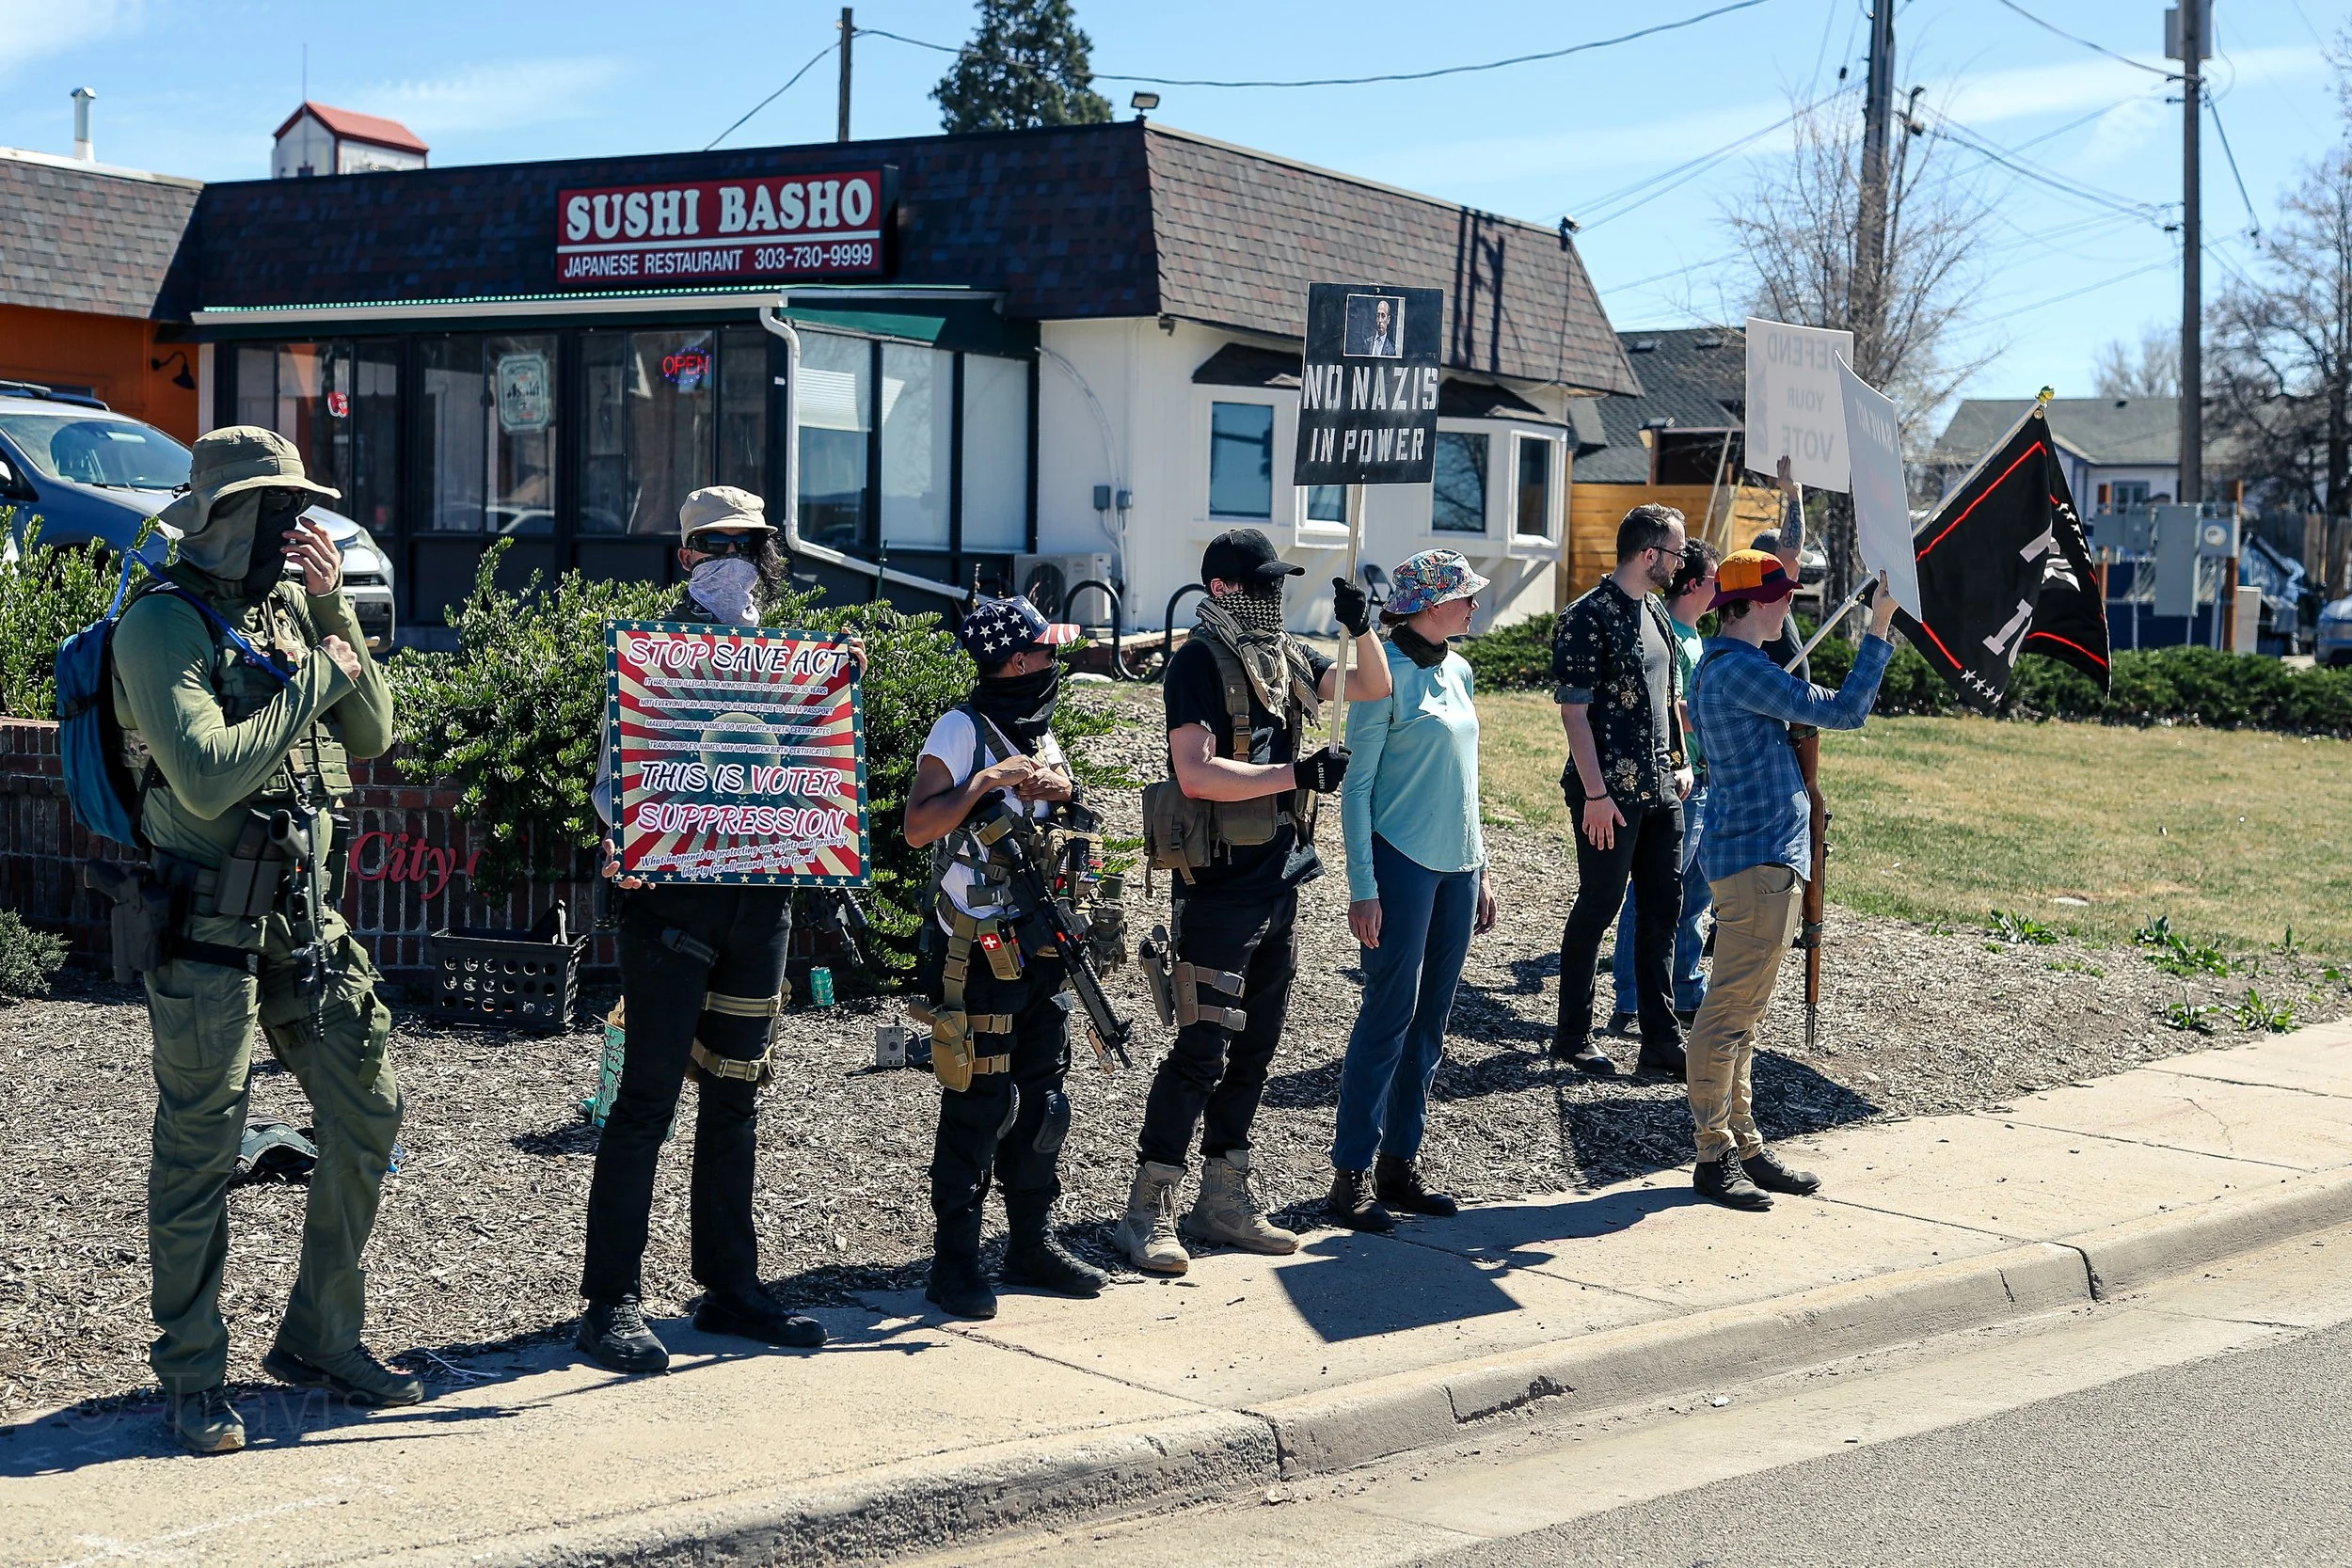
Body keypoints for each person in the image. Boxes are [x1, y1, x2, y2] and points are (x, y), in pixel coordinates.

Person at [109, 426, 407, 1453]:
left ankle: (321, 1336)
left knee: (368, 1110)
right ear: (221, 515)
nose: (295, 526)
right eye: (276, 509)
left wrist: (332, 612)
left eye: (299, 509)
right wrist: (316, 678)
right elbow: (204, 775)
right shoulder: (160, 625)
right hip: (206, 927)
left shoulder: (287, 607)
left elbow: (373, 734)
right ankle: (193, 1374)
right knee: (202, 1145)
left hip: (305, 921)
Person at [579, 485, 857, 1374]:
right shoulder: (652, 657)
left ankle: (731, 1286)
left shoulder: (793, 661)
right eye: (716, 544)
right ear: (686, 556)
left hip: (761, 903)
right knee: (646, 1101)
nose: (734, 559)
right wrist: (622, 836)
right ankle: (609, 1301)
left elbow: (815, 770)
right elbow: (613, 779)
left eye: (748, 544)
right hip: (671, 906)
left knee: (737, 1097)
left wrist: (837, 689)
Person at [1120, 530, 1391, 1275]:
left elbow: (1371, 686)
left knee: (1256, 1049)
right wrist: (1296, 773)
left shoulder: (1285, 656)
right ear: (1221, 589)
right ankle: (1147, 1209)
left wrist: (1363, 625)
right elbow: (1196, 772)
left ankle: (1223, 1199)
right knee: (1200, 1050)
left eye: (1279, 583)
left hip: (1278, 882)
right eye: (1263, 584)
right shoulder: (1197, 663)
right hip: (1217, 891)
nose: (1276, 596)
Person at [903, 596, 1114, 1319]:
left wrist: (1066, 790)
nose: (1056, 663)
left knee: (1045, 1101)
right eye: (1047, 652)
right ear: (1018, 660)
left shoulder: (1040, 730)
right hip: (979, 951)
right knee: (979, 1105)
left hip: (1043, 945)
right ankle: (954, 1263)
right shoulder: (961, 729)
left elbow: (1065, 823)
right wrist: (985, 783)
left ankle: (1031, 1243)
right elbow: (918, 825)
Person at [1683, 550, 1896, 1211]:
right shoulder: (1742, 670)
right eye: (1782, 597)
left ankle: (1743, 1144)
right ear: (1751, 604)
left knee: (1741, 1014)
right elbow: (1849, 709)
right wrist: (1878, 626)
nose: (1789, 607)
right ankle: (1713, 1155)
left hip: (1753, 860)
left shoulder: (1724, 664)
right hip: (1758, 865)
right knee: (1728, 1015)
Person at [1326, 550, 1498, 1231]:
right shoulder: (1382, 675)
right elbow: (1356, 790)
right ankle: (1350, 1174)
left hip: (1458, 866)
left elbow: (1468, 779)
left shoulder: (1460, 669)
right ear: (1428, 605)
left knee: (1431, 1024)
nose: (1474, 605)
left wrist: (1482, 866)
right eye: (1464, 595)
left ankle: (1399, 1163)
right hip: (1400, 863)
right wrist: (1362, 887)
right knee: (1388, 1017)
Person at [1549, 504, 1692, 1079]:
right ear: (1649, 554)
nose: (1681, 564)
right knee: (1599, 906)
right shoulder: (1586, 617)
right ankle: (1572, 1035)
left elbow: (1669, 697)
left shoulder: (1655, 610)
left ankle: (1660, 1039)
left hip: (1661, 791)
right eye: (1677, 552)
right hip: (1608, 797)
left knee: (1662, 912)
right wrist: (1595, 795)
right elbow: (1574, 714)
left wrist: (1681, 761)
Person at [1607, 540, 1721, 1036]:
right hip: (1678, 783)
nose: (1723, 589)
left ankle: (1686, 989)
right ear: (1694, 584)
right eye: (1716, 579)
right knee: (1653, 892)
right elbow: (1668, 709)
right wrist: (1725, 712)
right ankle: (1632, 996)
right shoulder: (1666, 633)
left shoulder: (1697, 637)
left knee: (1695, 895)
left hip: (1706, 781)